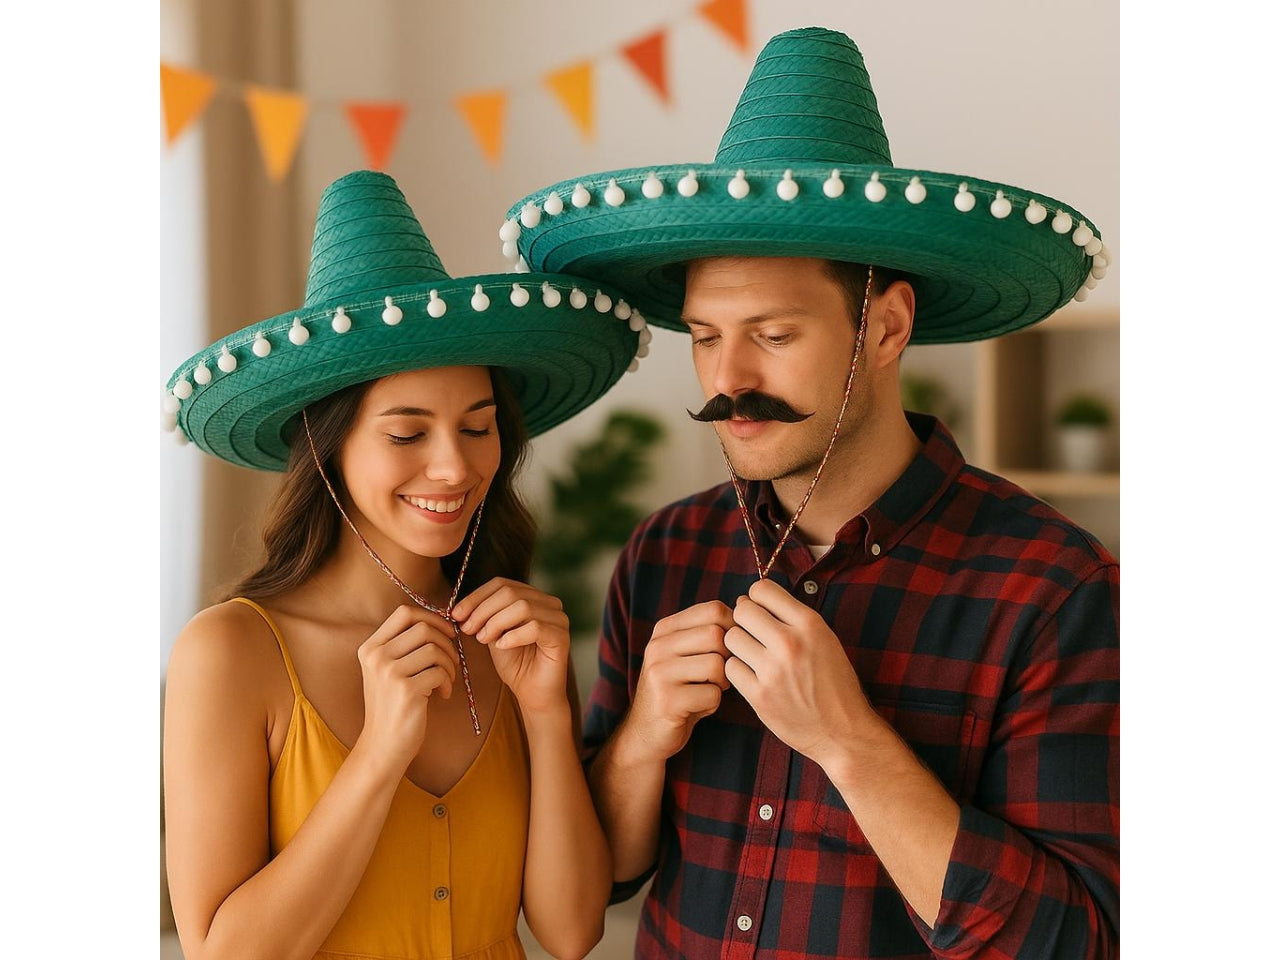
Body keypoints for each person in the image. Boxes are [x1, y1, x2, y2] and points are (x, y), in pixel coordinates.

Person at [500, 27, 1119, 960]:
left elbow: (1075, 943)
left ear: (887, 328)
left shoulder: (1056, 588)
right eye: (705, 336)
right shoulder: (665, 551)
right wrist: (641, 739)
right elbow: (607, 876)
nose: (728, 379)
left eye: (774, 335)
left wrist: (848, 740)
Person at [161, 170, 647, 960]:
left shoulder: (515, 639)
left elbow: (570, 932)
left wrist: (547, 716)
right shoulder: (230, 653)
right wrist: (381, 751)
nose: (454, 467)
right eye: (407, 433)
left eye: (478, 428)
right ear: (329, 447)